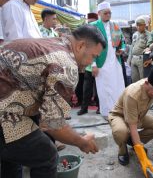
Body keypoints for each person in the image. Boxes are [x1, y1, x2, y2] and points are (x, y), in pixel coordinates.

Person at [0, 24, 106, 178]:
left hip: (9, 101)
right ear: (81, 46)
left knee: (17, 153)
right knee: (47, 155)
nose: (91, 62)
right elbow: (53, 124)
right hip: (4, 111)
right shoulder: (67, 65)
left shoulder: (55, 42)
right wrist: (81, 142)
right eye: (93, 56)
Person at [91, 2, 126, 121]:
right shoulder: (93, 26)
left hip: (115, 60)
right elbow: (90, 46)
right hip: (101, 62)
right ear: (99, 13)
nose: (108, 15)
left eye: (110, 13)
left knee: (118, 86)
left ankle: (119, 110)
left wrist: (122, 49)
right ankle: (106, 112)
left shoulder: (115, 25)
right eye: (106, 13)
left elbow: (122, 41)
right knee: (103, 87)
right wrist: (93, 65)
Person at [78, 12, 100, 115]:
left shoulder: (100, 34)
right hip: (88, 66)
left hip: (99, 66)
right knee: (86, 89)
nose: (91, 24)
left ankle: (100, 107)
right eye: (89, 22)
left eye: (93, 22)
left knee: (99, 88)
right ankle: (84, 108)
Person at [128, 18, 150, 83]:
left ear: (144, 25)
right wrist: (129, 60)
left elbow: (150, 47)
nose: (138, 27)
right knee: (134, 79)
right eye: (137, 25)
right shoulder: (134, 34)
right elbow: (132, 47)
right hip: (133, 59)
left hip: (142, 59)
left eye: (140, 25)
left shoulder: (148, 34)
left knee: (143, 80)